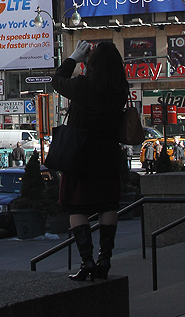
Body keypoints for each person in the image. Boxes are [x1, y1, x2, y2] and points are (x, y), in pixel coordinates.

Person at [52, 39, 129, 282]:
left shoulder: (84, 85)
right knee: (108, 205)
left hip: (80, 154)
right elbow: (105, 78)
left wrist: (74, 58)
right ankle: (105, 258)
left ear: (92, 64)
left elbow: (58, 81)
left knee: (77, 207)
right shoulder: (120, 88)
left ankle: (87, 262)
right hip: (107, 153)